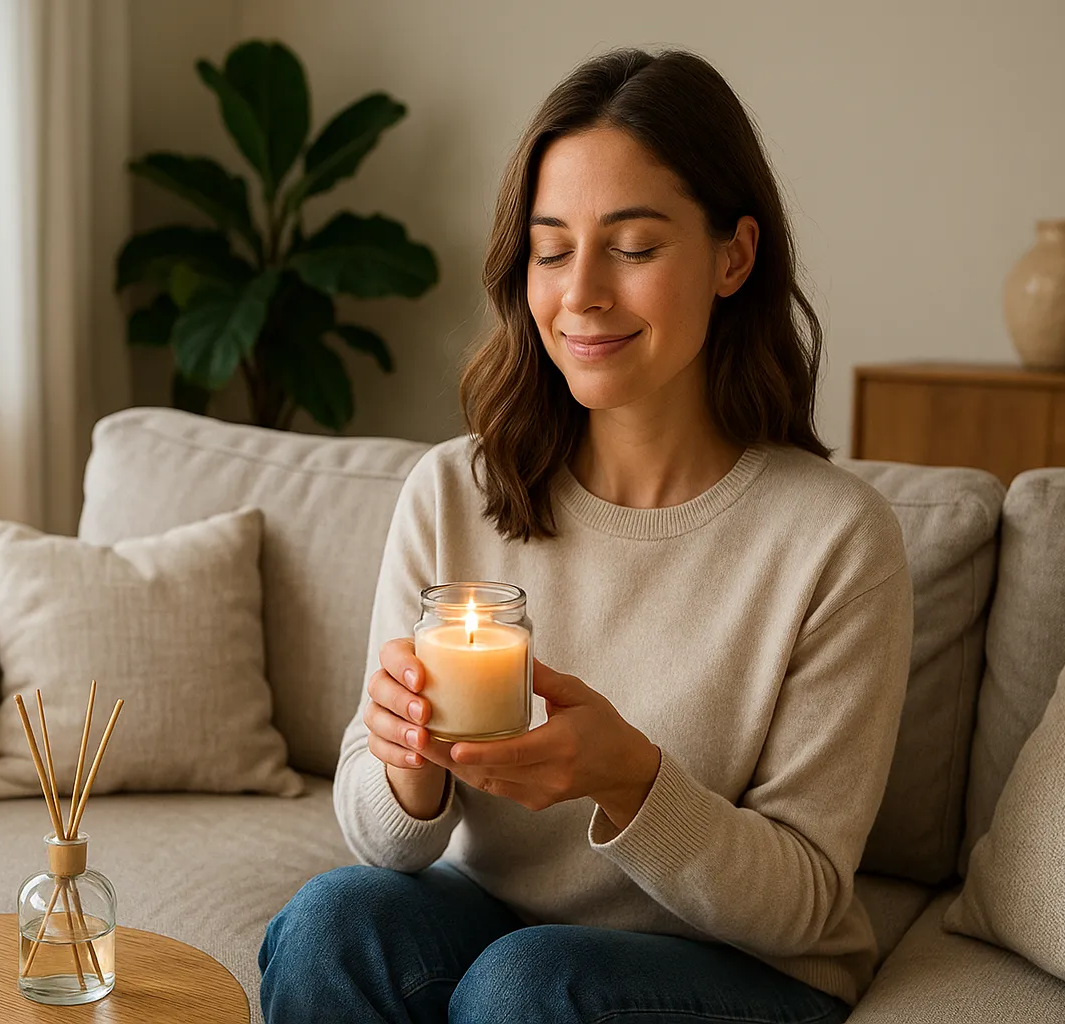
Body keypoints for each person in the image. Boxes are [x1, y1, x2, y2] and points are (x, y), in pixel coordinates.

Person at [259, 46, 912, 1024]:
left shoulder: (833, 538)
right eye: (552, 248)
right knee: (332, 923)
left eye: (634, 247)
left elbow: (806, 896)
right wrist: (404, 763)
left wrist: (630, 777)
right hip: (501, 924)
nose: (583, 293)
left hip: (736, 965)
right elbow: (381, 840)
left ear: (735, 255)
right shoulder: (454, 490)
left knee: (523, 988)